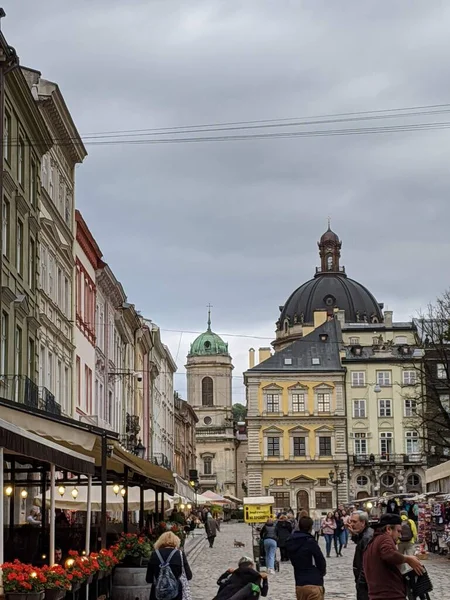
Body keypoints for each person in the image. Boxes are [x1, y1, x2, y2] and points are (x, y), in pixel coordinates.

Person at [363, 513, 424, 600]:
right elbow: (389, 554)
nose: (400, 536)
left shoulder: (372, 543)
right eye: (398, 531)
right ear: (388, 529)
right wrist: (408, 559)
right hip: (390, 595)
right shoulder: (384, 538)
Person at [286, 515, 326, 600]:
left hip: (299, 583)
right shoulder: (310, 542)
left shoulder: (291, 542)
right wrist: (322, 572)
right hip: (314, 582)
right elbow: (320, 559)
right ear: (310, 528)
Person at [146, 531, 192, 600]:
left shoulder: (154, 554)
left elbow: (148, 579)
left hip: (157, 595)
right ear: (176, 541)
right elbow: (189, 576)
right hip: (176, 594)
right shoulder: (180, 554)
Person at [348, 510, 373, 600]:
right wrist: (354, 534)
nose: (352, 524)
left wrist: (360, 582)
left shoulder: (368, 537)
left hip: (365, 583)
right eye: (350, 521)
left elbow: (367, 563)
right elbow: (359, 542)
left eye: (354, 522)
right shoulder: (364, 534)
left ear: (363, 522)